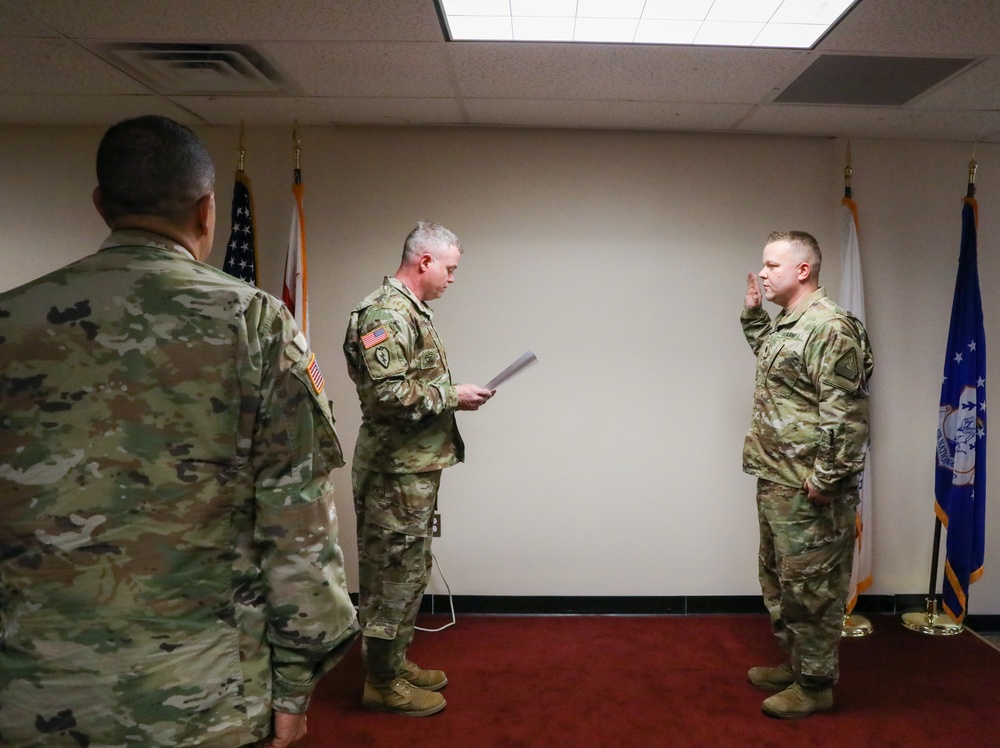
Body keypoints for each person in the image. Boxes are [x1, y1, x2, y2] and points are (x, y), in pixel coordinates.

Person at [0, 115, 359, 747]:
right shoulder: (254, 324)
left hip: (29, 693)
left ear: (101, 204)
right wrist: (294, 686)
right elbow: (296, 520)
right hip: (201, 698)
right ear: (206, 209)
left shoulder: (9, 321)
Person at [343, 221, 494, 716]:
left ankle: (391, 661)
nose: (453, 278)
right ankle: (381, 683)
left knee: (408, 570)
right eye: (449, 269)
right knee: (392, 576)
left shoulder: (412, 312)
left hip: (411, 471)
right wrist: (454, 394)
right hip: (393, 474)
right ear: (424, 261)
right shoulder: (383, 315)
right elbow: (387, 395)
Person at [741, 230, 873, 719]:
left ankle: (816, 685)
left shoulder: (831, 328)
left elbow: (847, 416)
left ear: (803, 270)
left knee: (813, 591)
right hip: (778, 480)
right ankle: (797, 666)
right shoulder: (789, 325)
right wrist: (755, 316)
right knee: (781, 581)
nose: (763, 272)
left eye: (772, 265)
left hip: (810, 490)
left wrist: (826, 480)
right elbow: (779, 369)